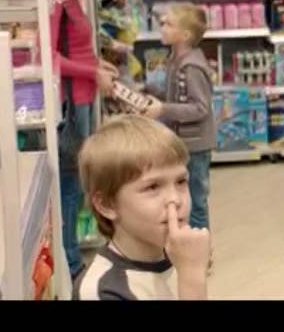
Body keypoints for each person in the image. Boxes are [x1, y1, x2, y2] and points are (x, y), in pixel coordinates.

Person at [73, 115, 211, 300]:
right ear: (107, 204)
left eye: (181, 181)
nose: (175, 199)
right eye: (153, 187)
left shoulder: (178, 258)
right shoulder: (99, 291)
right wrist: (192, 278)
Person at [54, 0, 120, 282]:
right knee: (69, 186)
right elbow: (49, 57)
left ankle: (71, 257)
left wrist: (98, 65)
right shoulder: (57, 3)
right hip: (70, 105)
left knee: (77, 184)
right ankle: (70, 263)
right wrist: (91, 72)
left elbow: (77, 51)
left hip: (84, 100)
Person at [142, 3, 216, 231]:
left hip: (196, 145)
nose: (162, 27)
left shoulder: (191, 67)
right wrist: (149, 93)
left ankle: (201, 245)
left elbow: (200, 108)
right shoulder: (175, 59)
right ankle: (187, 239)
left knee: (196, 200)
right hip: (182, 141)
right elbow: (176, 94)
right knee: (184, 197)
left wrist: (163, 109)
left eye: (169, 24)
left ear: (184, 36)